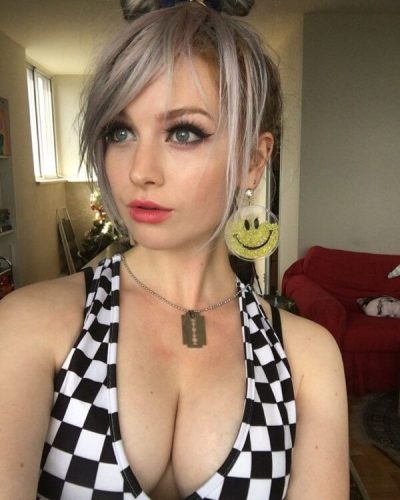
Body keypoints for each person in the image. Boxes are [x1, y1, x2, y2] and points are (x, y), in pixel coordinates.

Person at [0, 1, 349, 498]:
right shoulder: (32, 326)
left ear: (253, 160)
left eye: (184, 132)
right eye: (120, 131)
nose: (139, 170)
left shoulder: (307, 359)